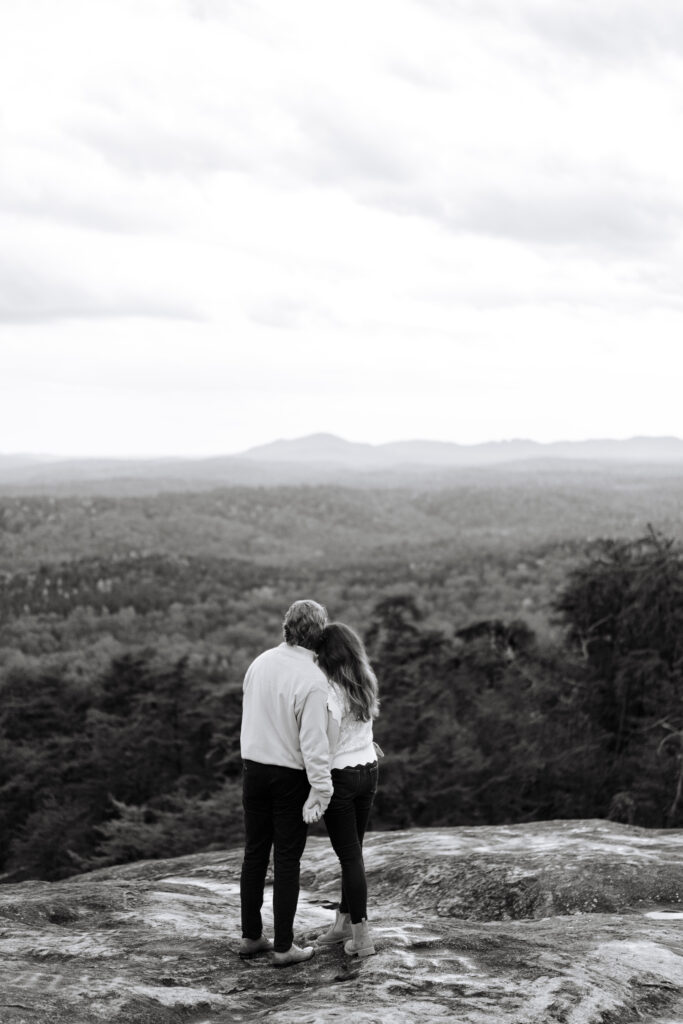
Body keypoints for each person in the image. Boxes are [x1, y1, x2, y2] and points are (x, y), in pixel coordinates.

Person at [239, 599, 333, 967]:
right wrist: (322, 788)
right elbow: (313, 742)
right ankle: (283, 947)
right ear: (320, 635)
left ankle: (250, 937)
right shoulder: (313, 679)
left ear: (286, 629)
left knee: (255, 854)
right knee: (288, 860)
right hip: (289, 776)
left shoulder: (260, 662)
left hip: (253, 769)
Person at [303, 621, 380, 958]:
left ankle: (362, 938)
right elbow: (363, 726)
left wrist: (315, 785)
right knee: (355, 855)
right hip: (368, 770)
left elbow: (330, 743)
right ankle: (342, 924)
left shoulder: (331, 690)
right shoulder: (365, 679)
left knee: (350, 859)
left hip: (342, 778)